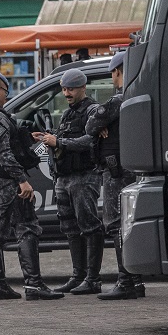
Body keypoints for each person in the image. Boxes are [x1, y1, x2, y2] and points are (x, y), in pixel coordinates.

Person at [0, 72, 63, 301]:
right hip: (6, 181)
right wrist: (22, 180)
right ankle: (34, 284)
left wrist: (28, 136)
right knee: (27, 227)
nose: (6, 98)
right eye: (6, 93)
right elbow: (4, 154)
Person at [33, 68, 104, 295]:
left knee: (90, 226)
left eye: (71, 88)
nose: (66, 93)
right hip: (64, 178)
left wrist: (59, 142)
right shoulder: (67, 114)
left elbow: (89, 142)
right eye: (64, 89)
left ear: (83, 87)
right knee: (70, 229)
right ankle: (78, 276)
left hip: (84, 176)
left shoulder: (92, 110)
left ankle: (93, 278)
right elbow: (62, 140)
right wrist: (47, 139)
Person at [86, 52, 145, 300]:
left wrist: (101, 126)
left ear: (118, 71)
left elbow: (90, 126)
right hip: (133, 170)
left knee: (116, 225)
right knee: (128, 225)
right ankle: (136, 280)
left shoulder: (117, 100)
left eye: (112, 73)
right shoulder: (140, 96)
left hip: (116, 173)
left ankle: (126, 281)